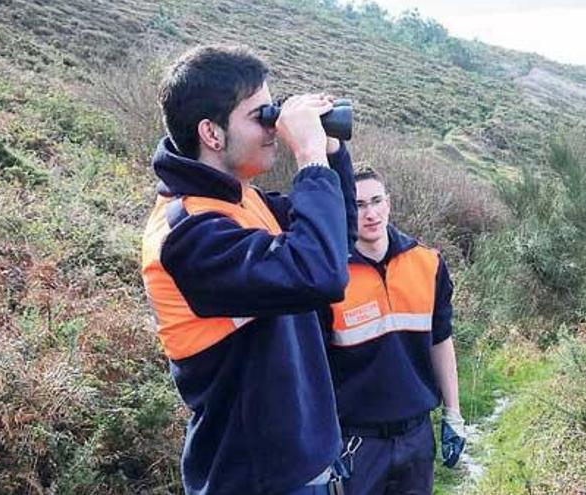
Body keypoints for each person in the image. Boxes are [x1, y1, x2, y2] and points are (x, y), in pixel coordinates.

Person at [141, 44, 356, 495]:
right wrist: (310, 160)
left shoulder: (243, 200)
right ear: (212, 134)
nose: (273, 127)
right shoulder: (188, 233)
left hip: (307, 467)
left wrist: (332, 153)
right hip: (254, 481)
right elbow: (319, 273)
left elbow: (336, 245)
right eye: (261, 115)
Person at [320, 167, 466, 495]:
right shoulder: (328, 277)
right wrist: (323, 442)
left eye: (376, 201)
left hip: (417, 437)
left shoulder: (428, 264)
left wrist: (453, 415)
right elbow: (314, 367)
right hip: (356, 444)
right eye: (358, 205)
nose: (370, 214)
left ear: (389, 203)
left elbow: (441, 340)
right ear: (344, 208)